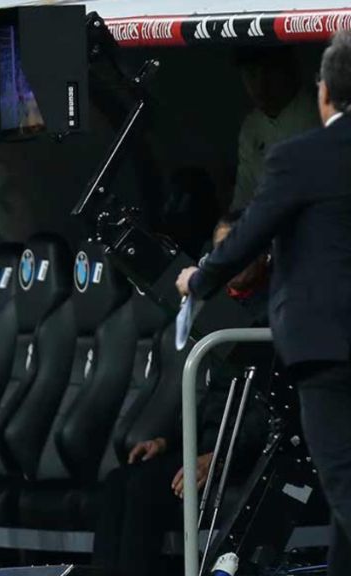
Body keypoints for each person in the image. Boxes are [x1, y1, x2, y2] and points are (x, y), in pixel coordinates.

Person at [176, 30, 351, 575]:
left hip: (327, 349)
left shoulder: (302, 155)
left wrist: (197, 279)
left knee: (343, 482)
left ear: (324, 94)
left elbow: (247, 236)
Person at [95, 212, 270, 576]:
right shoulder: (215, 309)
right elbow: (209, 399)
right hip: (206, 447)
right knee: (117, 482)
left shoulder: (272, 312)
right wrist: (168, 440)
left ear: (263, 252)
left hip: (246, 457)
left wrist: (221, 457)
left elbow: (270, 411)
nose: (228, 257)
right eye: (221, 249)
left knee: (143, 489)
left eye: (236, 247)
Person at [230, 46, 320, 210]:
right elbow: (243, 199)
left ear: (289, 70)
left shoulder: (314, 115)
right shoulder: (251, 126)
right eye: (251, 73)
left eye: (269, 72)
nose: (260, 84)